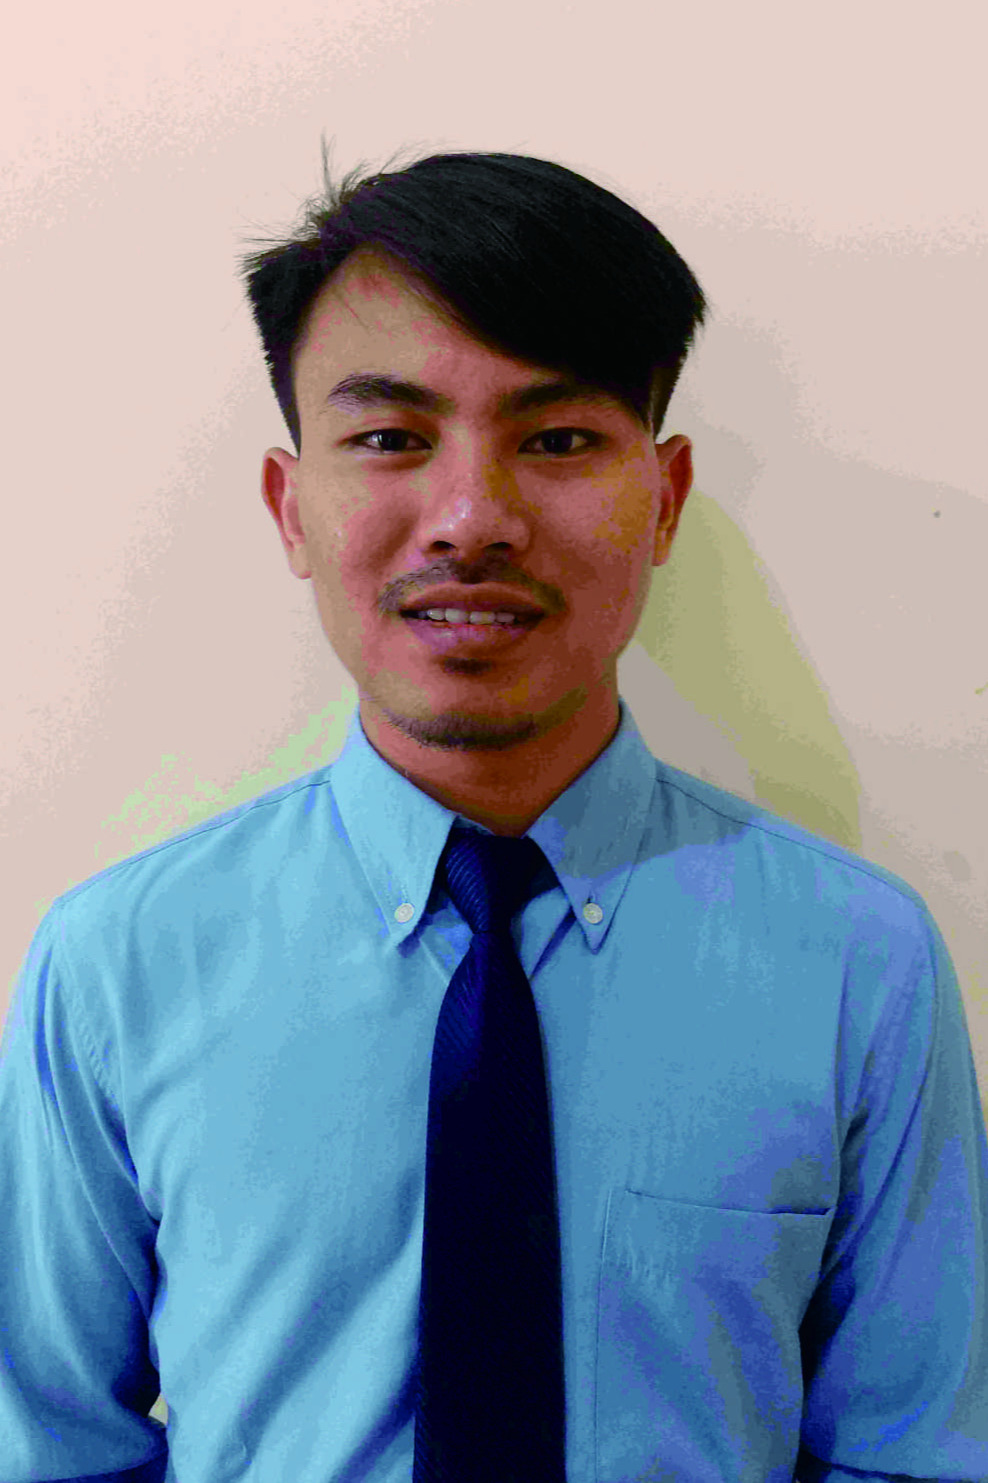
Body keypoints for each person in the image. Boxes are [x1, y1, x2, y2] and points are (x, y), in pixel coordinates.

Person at [1, 143, 986, 1483]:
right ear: (292, 508)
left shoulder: (858, 965)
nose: (471, 521)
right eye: (391, 439)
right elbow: (47, 1450)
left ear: (665, 501)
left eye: (560, 440)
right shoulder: (118, 966)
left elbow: (913, 1455)